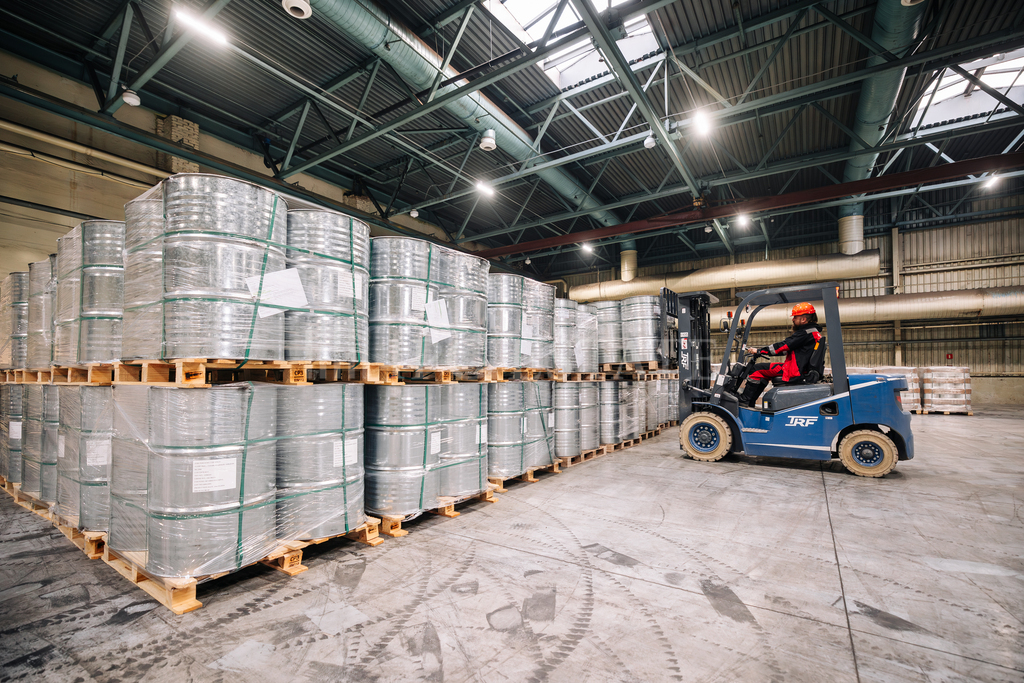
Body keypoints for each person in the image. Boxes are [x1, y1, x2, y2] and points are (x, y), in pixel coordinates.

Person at [738, 302, 822, 407]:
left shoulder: (805, 333)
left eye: (795, 317)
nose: (793, 319)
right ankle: (750, 402)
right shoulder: (813, 333)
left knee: (756, 369)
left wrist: (759, 351)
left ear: (803, 319)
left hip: (795, 371)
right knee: (763, 370)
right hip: (799, 368)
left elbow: (784, 346)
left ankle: (745, 400)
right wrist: (764, 351)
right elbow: (786, 349)